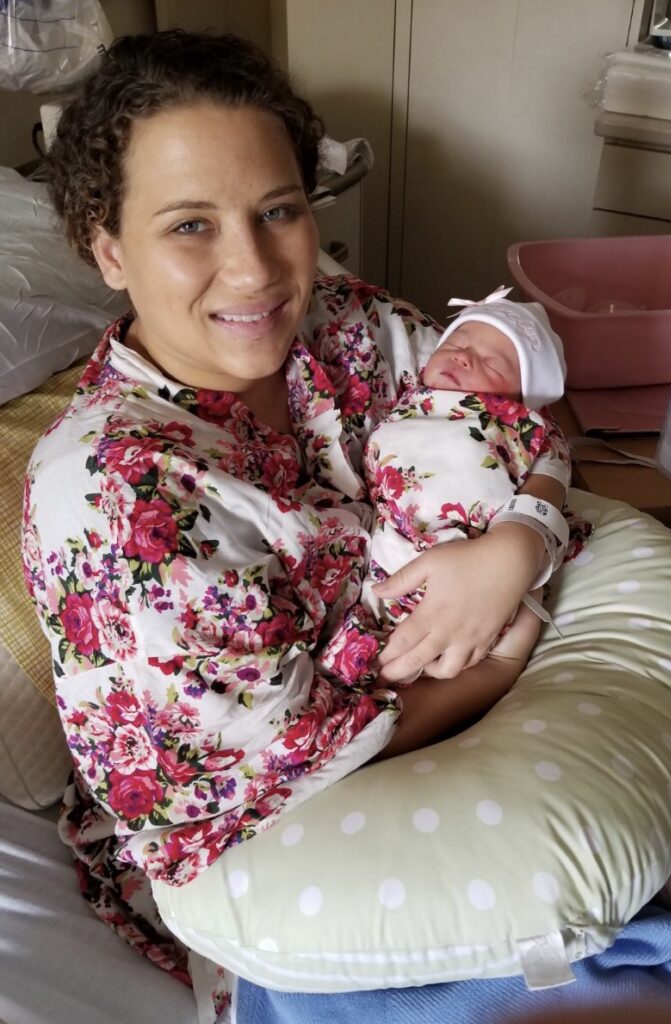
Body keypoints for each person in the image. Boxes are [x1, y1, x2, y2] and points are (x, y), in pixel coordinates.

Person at [20, 29, 576, 1018]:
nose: (254, 273)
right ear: (107, 247)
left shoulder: (340, 326)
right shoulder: (123, 495)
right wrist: (505, 646)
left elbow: (512, 410)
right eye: (190, 226)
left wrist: (521, 539)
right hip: (262, 818)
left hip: (426, 670)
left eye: (277, 211)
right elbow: (288, 767)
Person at [319, 286, 589, 691]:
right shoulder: (406, 400)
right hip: (394, 544)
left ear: (521, 399)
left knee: (502, 612)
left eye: (492, 364)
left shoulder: (520, 425)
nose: (463, 355)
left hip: (474, 548)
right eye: (456, 343)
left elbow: (551, 461)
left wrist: (518, 542)